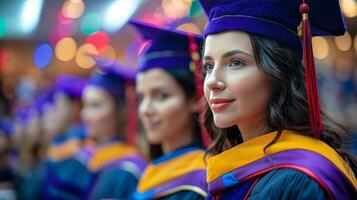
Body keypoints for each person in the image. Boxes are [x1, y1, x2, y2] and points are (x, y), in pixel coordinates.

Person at [198, 0, 357, 199]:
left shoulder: (299, 180)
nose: (213, 81)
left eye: (236, 62)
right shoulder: (234, 168)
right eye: (209, 66)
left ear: (279, 72)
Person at [131, 20, 207, 199]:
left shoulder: (201, 181)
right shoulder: (152, 171)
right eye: (141, 98)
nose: (145, 110)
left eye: (161, 96)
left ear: (195, 99)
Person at [81, 58, 147, 199]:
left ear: (121, 112)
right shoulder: (93, 162)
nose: (84, 115)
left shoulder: (128, 172)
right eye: (84, 105)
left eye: (95, 105)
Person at [42, 75, 92, 200]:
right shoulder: (59, 142)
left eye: (58, 104)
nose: (54, 110)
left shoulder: (82, 151)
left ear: (75, 107)